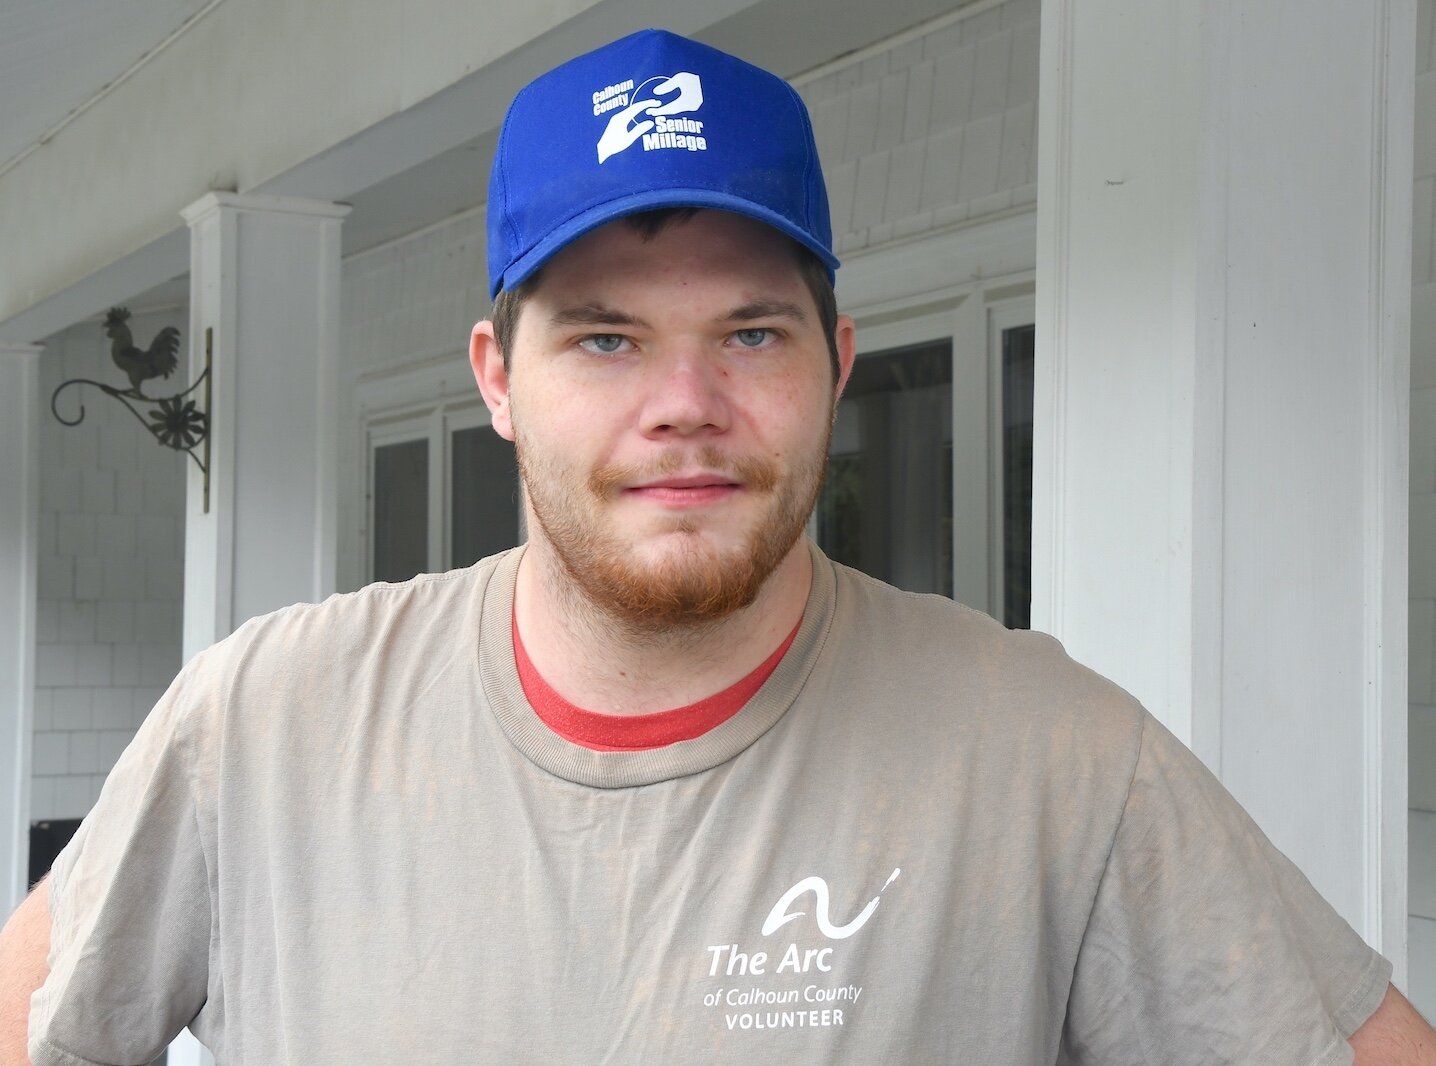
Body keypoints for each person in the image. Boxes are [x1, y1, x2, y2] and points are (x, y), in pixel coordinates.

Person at [1, 26, 1434, 1066]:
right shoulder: (265, 725)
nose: (685, 407)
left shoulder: (1051, 761)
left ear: (838, 360)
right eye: (607, 337)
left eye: (750, 330)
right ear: (497, 375)